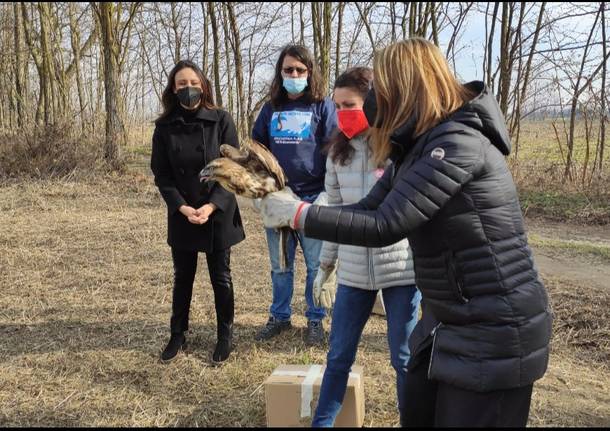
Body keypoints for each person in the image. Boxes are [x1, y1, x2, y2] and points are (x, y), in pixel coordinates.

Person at [259, 38, 552, 427]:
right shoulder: (415, 150)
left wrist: (299, 216)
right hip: (450, 320)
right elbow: (367, 208)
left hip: (493, 329)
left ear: (408, 86)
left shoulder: (456, 142)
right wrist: (304, 211)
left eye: (384, 86)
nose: (377, 97)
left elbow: (386, 224)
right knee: (417, 409)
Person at [311, 66, 421, 427]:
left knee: (403, 358)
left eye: (351, 105)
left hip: (401, 269)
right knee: (339, 354)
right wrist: (325, 267)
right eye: (337, 106)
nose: (343, 114)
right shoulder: (336, 154)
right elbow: (335, 215)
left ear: (373, 103)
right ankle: (322, 423)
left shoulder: (399, 150)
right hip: (355, 271)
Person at [150, 60, 245, 364]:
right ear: (172, 89)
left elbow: (234, 170)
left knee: (221, 277)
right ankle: (177, 334)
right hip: (183, 212)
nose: (187, 88)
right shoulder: (163, 127)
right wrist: (182, 207)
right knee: (183, 277)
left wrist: (211, 205)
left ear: (203, 85)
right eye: (180, 84)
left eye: (193, 82)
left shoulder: (221, 120)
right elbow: (161, 174)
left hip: (217, 209)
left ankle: (225, 335)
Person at [251, 44, 338, 346]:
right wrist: (261, 190)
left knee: (316, 265)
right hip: (279, 201)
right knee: (281, 266)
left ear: (309, 72)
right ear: (280, 72)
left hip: (313, 200)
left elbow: (335, 151)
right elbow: (256, 151)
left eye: (300, 70)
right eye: (288, 70)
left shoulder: (322, 106)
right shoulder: (270, 109)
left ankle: (316, 320)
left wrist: (329, 194)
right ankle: (280, 316)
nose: (294, 74)